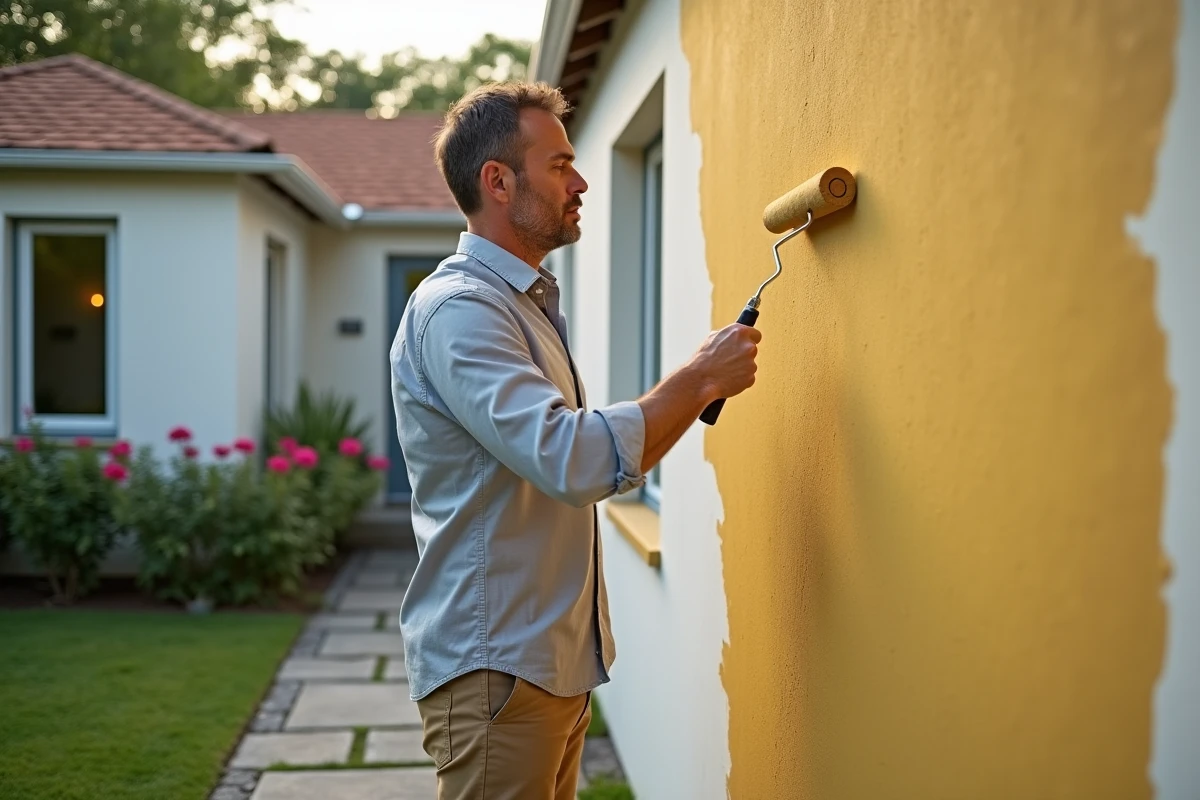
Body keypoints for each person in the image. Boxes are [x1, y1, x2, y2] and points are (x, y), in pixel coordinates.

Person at [389, 81, 760, 800]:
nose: (581, 180)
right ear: (498, 182)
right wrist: (699, 378)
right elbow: (575, 458)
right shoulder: (462, 312)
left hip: (543, 669)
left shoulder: (517, 304)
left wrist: (700, 386)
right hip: (498, 674)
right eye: (559, 164)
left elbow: (582, 463)